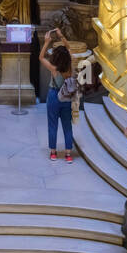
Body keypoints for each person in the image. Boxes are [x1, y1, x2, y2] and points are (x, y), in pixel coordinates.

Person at [39, 28, 76, 163]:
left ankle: (53, 153)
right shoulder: (69, 67)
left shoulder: (53, 69)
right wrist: (62, 36)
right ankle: (68, 154)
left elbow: (41, 57)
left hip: (54, 95)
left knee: (52, 124)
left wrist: (47, 42)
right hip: (66, 96)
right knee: (67, 125)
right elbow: (68, 47)